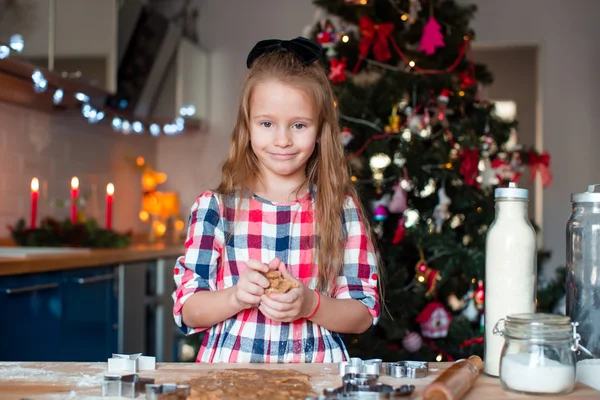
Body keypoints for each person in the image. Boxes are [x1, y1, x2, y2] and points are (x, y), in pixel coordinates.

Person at [172, 36, 381, 363]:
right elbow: (187, 310)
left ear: (320, 130)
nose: (282, 140)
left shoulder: (340, 209)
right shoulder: (216, 209)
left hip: (316, 380)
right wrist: (236, 297)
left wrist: (309, 303)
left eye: (299, 125)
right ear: (248, 127)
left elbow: (363, 314)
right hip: (230, 382)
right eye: (267, 123)